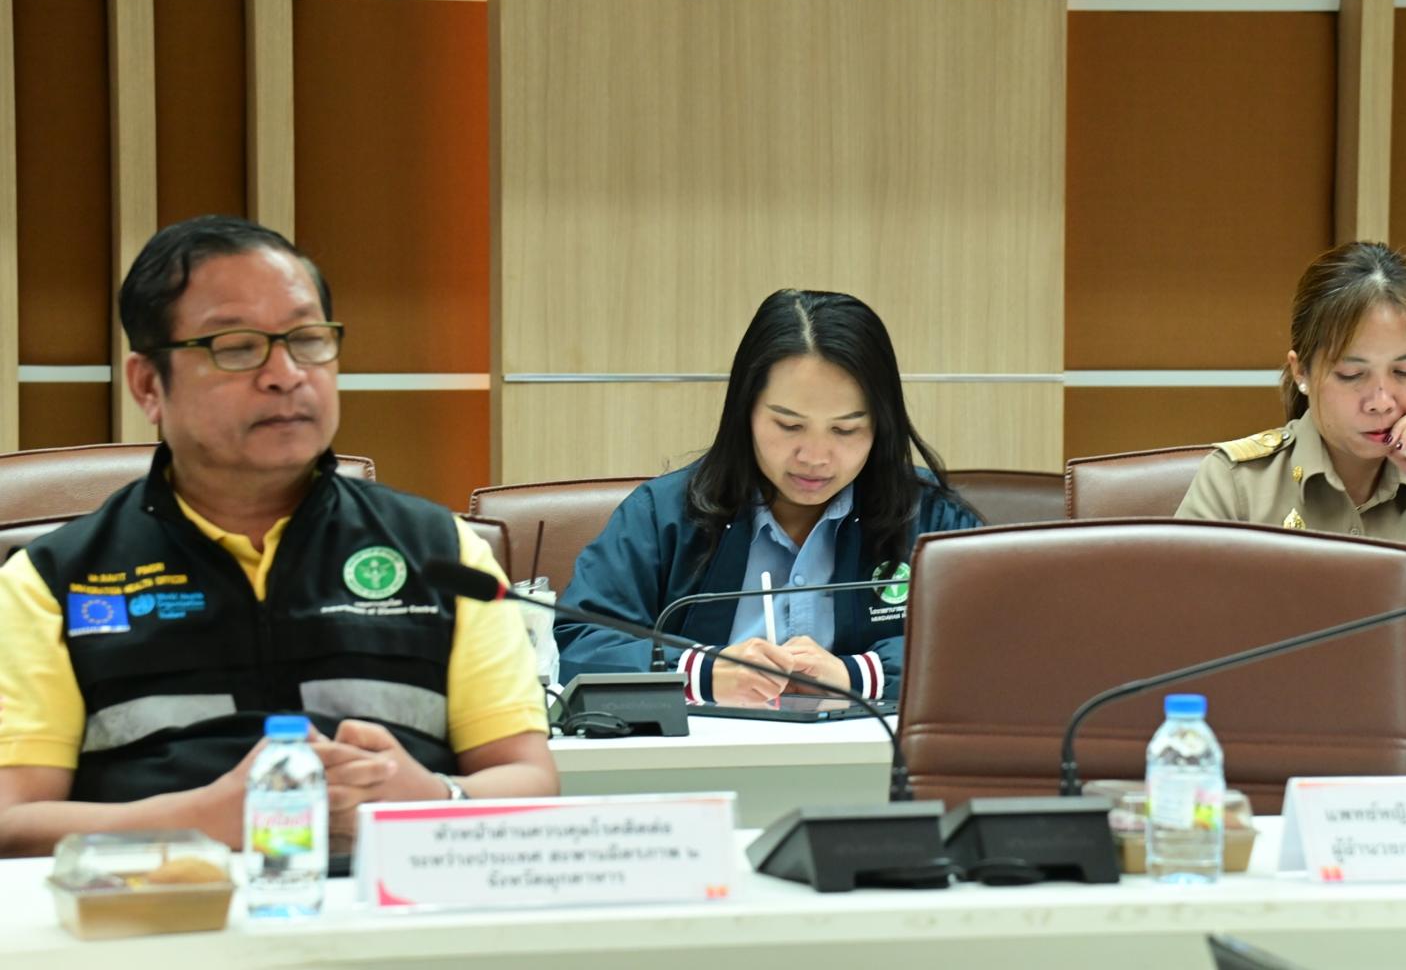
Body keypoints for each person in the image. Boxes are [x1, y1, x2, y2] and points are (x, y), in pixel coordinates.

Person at [0, 216, 557, 858]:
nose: (285, 374)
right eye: (237, 347)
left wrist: (432, 799)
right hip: (161, 908)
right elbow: (14, 822)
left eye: (308, 339)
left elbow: (528, 778)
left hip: (391, 905)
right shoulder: (55, 580)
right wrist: (202, 819)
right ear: (149, 384)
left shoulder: (441, 553)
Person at [556, 289, 981, 704]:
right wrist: (701, 673)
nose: (814, 457)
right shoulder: (662, 515)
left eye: (845, 429)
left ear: (881, 425)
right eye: (789, 426)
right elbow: (578, 642)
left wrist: (859, 676)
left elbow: (991, 642)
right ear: (746, 411)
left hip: (874, 748)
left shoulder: (930, 518)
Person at [1176, 241, 1406, 689]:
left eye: (1404, 372)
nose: (1381, 401)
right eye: (1352, 374)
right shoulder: (1237, 484)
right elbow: (1178, 652)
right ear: (1301, 371)